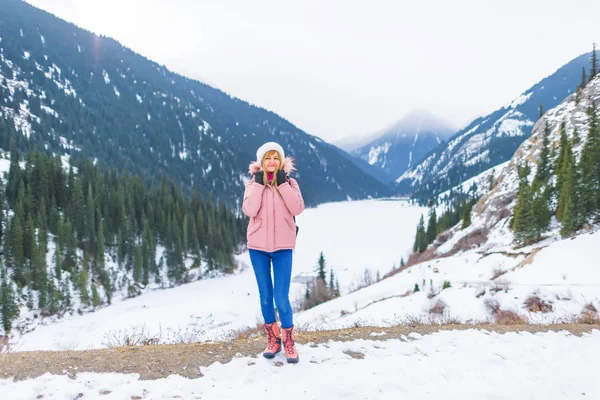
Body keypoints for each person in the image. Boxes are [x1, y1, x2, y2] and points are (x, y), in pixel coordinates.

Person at [242, 142, 305, 363]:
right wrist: (259, 185)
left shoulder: (290, 182)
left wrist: (282, 185)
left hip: (283, 248)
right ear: (261, 162)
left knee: (282, 298)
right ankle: (273, 340)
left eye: (275, 158)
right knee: (266, 298)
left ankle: (289, 342)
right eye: (267, 158)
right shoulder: (252, 184)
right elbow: (249, 210)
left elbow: (298, 208)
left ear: (281, 161)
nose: (271, 162)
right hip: (258, 248)